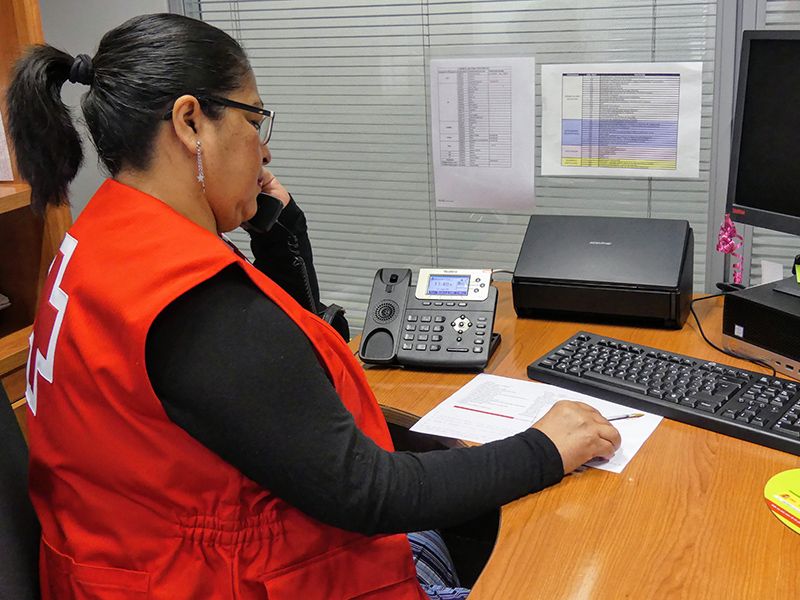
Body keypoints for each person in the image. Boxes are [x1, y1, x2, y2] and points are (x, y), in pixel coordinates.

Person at [7, 13, 621, 600]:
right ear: (191, 122)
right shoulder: (194, 304)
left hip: (128, 566)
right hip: (210, 578)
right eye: (254, 119)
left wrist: (276, 233)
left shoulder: (106, 239)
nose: (265, 150)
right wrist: (544, 448)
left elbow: (285, 374)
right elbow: (367, 494)